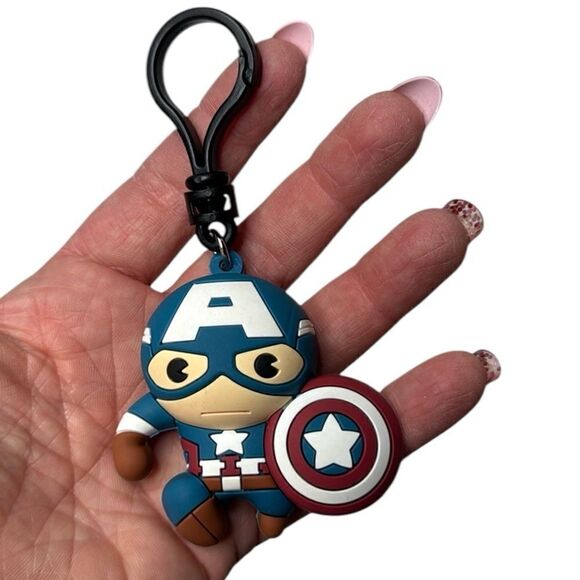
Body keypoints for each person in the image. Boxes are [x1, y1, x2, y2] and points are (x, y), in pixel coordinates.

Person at [0, 22, 500, 579]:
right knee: (182, 492)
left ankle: (269, 514)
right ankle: (232, 513)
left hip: (270, 470)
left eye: (262, 366)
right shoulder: (175, 404)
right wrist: (130, 445)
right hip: (203, 476)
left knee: (275, 498)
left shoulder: (284, 407)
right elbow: (138, 425)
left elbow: (321, 419)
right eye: (185, 370)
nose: (219, 381)